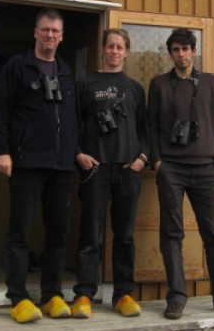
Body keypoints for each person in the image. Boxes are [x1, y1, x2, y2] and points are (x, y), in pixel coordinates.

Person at [147, 28, 214, 321]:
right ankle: (177, 297)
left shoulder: (210, 83)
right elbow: (152, 126)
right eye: (176, 50)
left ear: (194, 51)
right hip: (171, 169)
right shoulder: (158, 84)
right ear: (170, 53)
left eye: (186, 49)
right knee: (172, 234)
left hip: (206, 169)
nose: (181, 54)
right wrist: (157, 162)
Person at [0, 8, 78, 323]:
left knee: (58, 233)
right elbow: (1, 111)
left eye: (55, 31)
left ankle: (52, 295)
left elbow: (71, 119)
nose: (50, 35)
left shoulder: (66, 71)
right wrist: (3, 151)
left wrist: (76, 152)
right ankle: (18, 298)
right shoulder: (18, 66)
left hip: (62, 166)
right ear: (35, 32)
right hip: (26, 163)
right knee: (20, 232)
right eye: (45, 29)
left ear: (62, 36)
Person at [70, 28, 150, 319]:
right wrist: (78, 154)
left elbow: (145, 130)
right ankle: (84, 295)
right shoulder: (85, 84)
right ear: (103, 49)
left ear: (127, 52)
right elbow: (71, 125)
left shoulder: (135, 88)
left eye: (120, 47)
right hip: (96, 170)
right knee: (90, 234)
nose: (115, 51)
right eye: (111, 46)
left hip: (128, 170)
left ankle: (123, 294)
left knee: (125, 236)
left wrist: (142, 157)